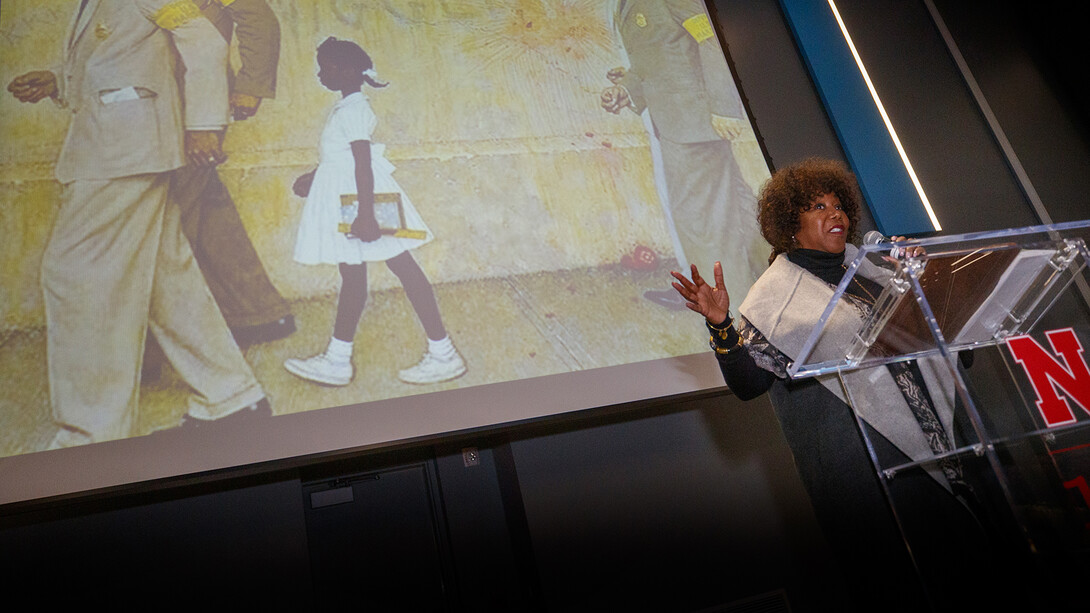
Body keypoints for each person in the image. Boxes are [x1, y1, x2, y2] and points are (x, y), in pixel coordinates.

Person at [670, 158, 1022, 610]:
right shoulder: (776, 299)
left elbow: (946, 343)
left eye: (839, 205)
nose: (834, 214)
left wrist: (925, 283)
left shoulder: (874, 272)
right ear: (789, 224)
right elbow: (749, 384)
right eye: (818, 206)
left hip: (949, 441)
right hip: (878, 468)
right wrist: (721, 326)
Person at [7, 0, 270, 447]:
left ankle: (92, 435)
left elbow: (205, 43)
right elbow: (123, 56)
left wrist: (205, 123)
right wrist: (59, 81)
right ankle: (232, 396)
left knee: (76, 274)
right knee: (167, 275)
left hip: (124, 149)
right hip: (120, 141)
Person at [284, 37, 465, 387]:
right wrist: (315, 176)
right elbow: (341, 159)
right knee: (357, 277)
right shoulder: (347, 107)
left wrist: (366, 214)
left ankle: (443, 353)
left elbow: (363, 163)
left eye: (327, 67)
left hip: (362, 203)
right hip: (351, 201)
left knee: (403, 267)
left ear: (349, 71)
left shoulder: (354, 109)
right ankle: (337, 360)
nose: (321, 74)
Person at [601, 0, 765, 310]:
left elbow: (711, 38)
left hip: (694, 127)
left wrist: (723, 107)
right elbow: (661, 55)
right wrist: (627, 89)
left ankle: (732, 316)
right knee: (740, 213)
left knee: (704, 225)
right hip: (681, 123)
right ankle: (784, 289)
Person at [169, 0, 293, 346]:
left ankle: (164, 338)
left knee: (170, 215)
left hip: (193, 103)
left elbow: (258, 16)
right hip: (165, 101)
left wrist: (251, 85)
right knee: (206, 206)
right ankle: (258, 312)